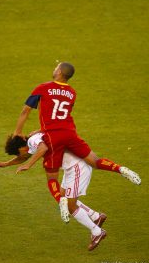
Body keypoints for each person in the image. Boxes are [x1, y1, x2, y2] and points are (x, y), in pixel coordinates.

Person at [12, 62, 141, 199]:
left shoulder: (43, 88)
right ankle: (120, 169)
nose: (54, 69)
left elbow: (25, 111)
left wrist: (18, 131)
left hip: (53, 136)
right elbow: (60, 117)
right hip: (69, 132)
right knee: (95, 161)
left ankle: (61, 201)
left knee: (52, 176)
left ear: (60, 72)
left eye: (56, 67)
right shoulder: (72, 93)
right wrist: (40, 129)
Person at [0, 132, 108, 251]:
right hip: (71, 166)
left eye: (18, 152)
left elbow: (42, 148)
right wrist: (6, 164)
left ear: (21, 148)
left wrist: (28, 165)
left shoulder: (33, 141)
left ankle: (97, 232)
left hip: (77, 166)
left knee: (70, 206)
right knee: (63, 196)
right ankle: (96, 216)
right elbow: (23, 157)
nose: (21, 154)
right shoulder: (34, 140)